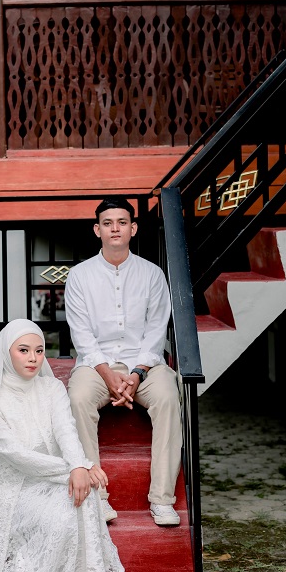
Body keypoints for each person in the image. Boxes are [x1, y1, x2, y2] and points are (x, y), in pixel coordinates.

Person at [0, 318, 131, 572]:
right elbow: (18, 457)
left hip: (55, 478)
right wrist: (78, 468)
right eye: (23, 350)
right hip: (15, 489)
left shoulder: (52, 389)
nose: (33, 358)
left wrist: (79, 466)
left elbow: (66, 432)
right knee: (70, 499)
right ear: (6, 353)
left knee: (82, 493)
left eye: (39, 350)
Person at [65, 196, 182, 527]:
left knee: (168, 397)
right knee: (78, 398)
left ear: (133, 228)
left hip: (143, 363)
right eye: (107, 223)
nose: (114, 229)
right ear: (97, 230)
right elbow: (82, 336)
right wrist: (108, 375)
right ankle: (97, 498)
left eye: (121, 222)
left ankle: (162, 500)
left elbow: (156, 330)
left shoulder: (152, 274)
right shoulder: (79, 276)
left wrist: (136, 374)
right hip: (96, 364)